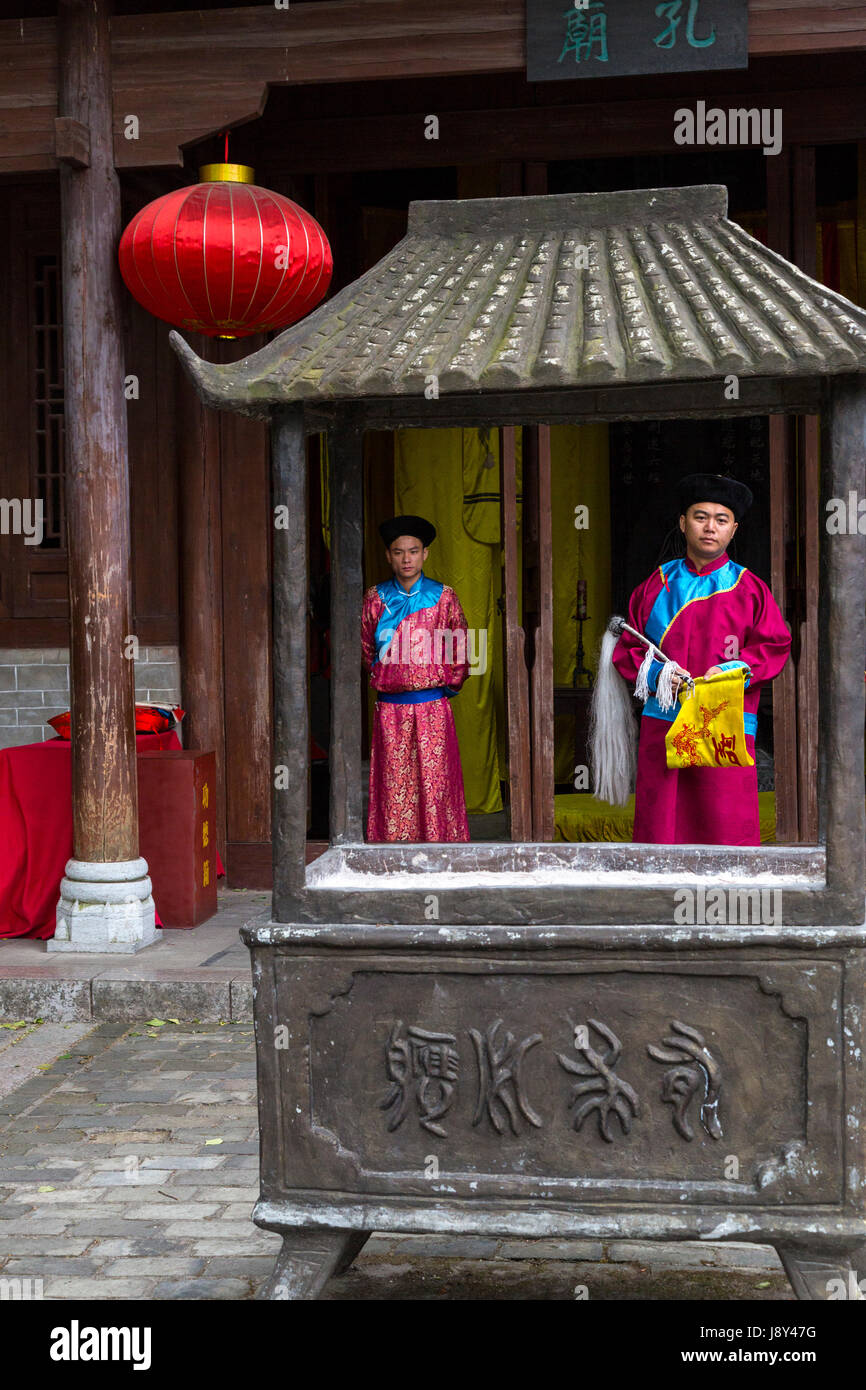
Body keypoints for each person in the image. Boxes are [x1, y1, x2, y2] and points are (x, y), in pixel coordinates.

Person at [611, 474, 792, 845]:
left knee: (724, 819)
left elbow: (774, 646)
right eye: (700, 516)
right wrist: (660, 674)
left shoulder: (749, 587)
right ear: (683, 523)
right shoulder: (656, 584)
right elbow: (627, 649)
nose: (710, 527)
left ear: (734, 529)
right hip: (665, 718)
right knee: (663, 821)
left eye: (721, 519)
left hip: (724, 721)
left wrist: (729, 671)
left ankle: (730, 897)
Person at [361, 514, 471, 842]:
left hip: (433, 707)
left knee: (436, 783)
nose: (406, 558)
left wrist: (445, 685)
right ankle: (393, 853)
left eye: (413, 551)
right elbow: (367, 647)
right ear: (388, 556)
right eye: (398, 552)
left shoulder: (443, 596)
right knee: (395, 783)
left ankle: (441, 849)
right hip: (390, 709)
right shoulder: (376, 598)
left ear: (425, 554)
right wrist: (387, 675)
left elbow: (459, 647)